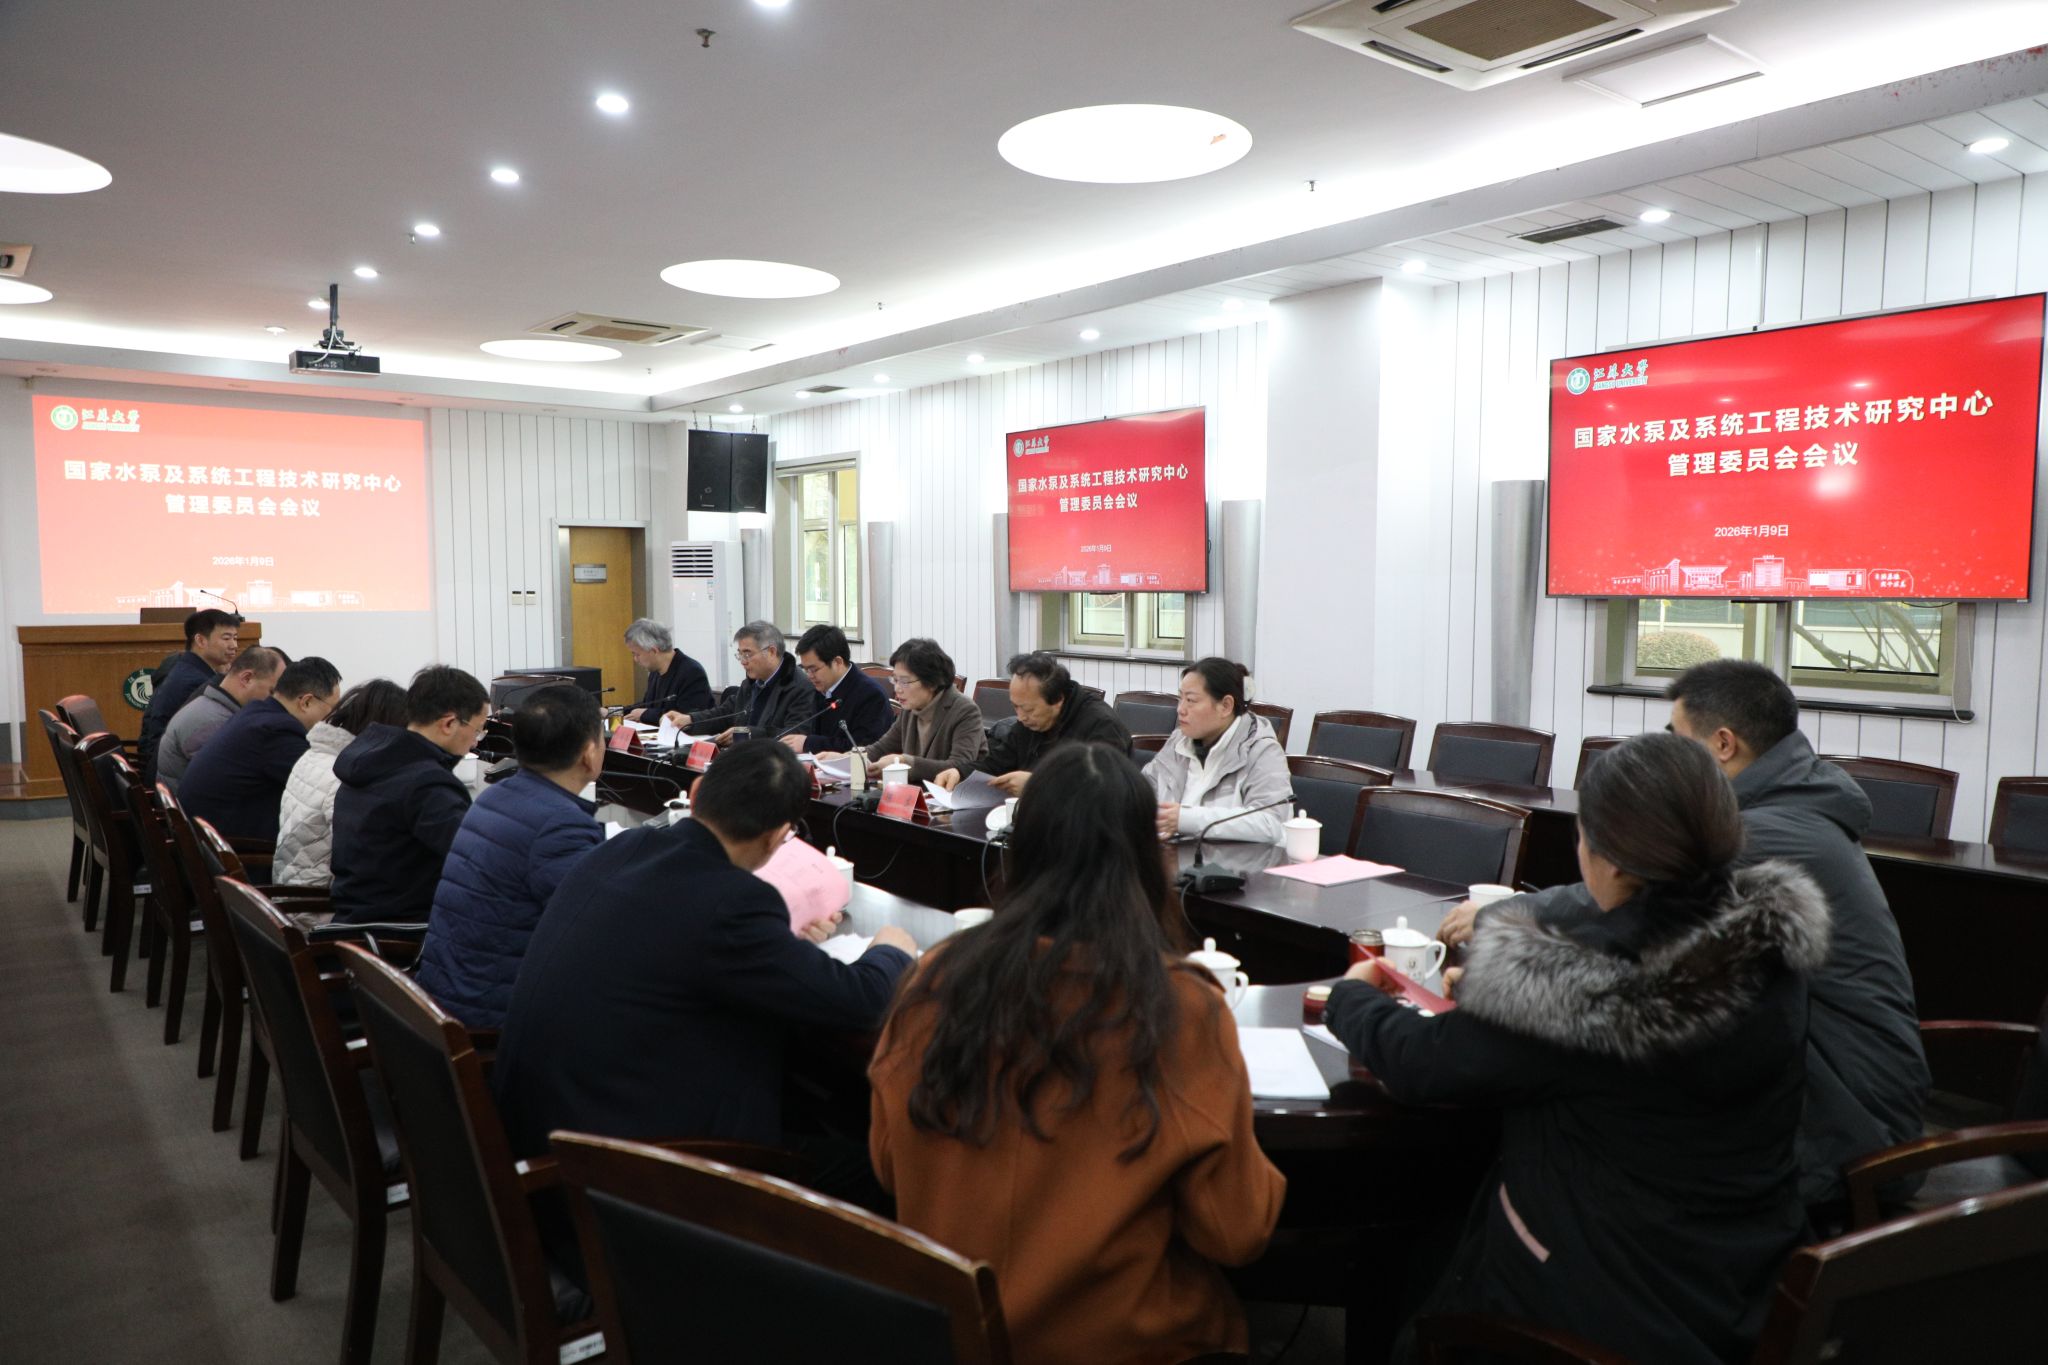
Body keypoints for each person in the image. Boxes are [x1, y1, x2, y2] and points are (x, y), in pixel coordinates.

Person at [1327, 733, 1829, 1364]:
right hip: (1739, 1282)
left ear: (1611, 860)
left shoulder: (1574, 988)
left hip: (1599, 1302)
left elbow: (1423, 1063)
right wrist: (1497, 1003)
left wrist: (1353, 998)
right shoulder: (1768, 948)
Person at [1439, 660, 1930, 1215]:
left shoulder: (1768, 831)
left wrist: (1504, 914)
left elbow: (1631, 894)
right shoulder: (1793, 804)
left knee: (1572, 1122)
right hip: (1829, 1096)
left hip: (1852, 1132)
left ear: (1722, 744)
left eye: (1677, 738)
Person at [870, 743, 1286, 1365]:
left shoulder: (932, 980)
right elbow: (1236, 1231)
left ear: (1019, 849)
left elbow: (887, 1167)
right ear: (1149, 859)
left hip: (953, 1334)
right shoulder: (1179, 1007)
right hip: (1125, 1343)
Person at [492, 739, 916, 1167]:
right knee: (883, 1168)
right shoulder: (733, 902)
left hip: (543, 1129)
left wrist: (784, 950)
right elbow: (860, 1001)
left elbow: (682, 947)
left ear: (695, 794)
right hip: (624, 1166)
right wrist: (889, 950)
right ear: (776, 837)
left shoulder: (621, 848)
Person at [415, 684, 606, 1030]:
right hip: (491, 1018)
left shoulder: (496, 795)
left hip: (448, 997)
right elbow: (596, 929)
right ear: (589, 753)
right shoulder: (560, 825)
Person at [328, 665, 490, 924]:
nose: (475, 742)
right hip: (403, 930)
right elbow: (476, 860)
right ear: (449, 723)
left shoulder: (372, 761)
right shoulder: (427, 784)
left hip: (355, 918)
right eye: (478, 730)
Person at [177, 656, 341, 843]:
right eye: (333, 709)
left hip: (203, 837)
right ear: (306, 702)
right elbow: (325, 788)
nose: (332, 719)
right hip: (232, 848)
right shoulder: (277, 731)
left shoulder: (257, 713)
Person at [935, 651, 1129, 796]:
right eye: (1015, 707)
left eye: (1028, 709)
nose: (1020, 717)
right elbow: (996, 763)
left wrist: (1036, 784)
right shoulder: (1028, 724)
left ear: (1058, 699)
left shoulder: (1101, 725)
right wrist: (960, 772)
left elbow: (1104, 789)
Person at [275, 679, 410, 887]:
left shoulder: (315, 755)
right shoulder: (345, 776)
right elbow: (362, 859)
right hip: (316, 898)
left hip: (292, 881)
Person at [1143, 657, 1291, 843]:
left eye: (1191, 700)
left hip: (1235, 860)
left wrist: (1186, 819)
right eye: (1180, 698)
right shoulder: (1179, 741)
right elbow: (1142, 792)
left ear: (1226, 706)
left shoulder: (1262, 751)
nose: (1180, 709)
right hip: (1174, 853)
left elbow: (1271, 823)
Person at [820, 637, 988, 784]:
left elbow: (959, 766)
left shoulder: (964, 710)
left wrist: (904, 761)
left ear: (932, 682)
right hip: (918, 795)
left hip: (955, 800)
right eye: (895, 680)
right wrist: (844, 759)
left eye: (905, 682)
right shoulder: (911, 708)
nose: (897, 689)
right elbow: (880, 749)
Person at [155, 645, 282, 792]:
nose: (275, 700)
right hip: (196, 805)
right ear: (247, 678)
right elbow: (224, 783)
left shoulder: (211, 709)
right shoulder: (213, 722)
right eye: (271, 691)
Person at [663, 621, 811, 745]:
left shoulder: (799, 686)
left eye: (747, 654)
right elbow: (725, 713)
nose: (743, 661)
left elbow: (794, 734)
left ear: (771, 652)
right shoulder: (752, 682)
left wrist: (747, 734)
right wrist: (690, 720)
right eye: (740, 654)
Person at [139, 608, 242, 780]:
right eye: (226, 638)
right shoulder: (194, 682)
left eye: (235, 638)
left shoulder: (186, 667)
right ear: (200, 640)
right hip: (169, 775)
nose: (234, 645)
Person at [784, 624, 892, 754]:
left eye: (814, 669)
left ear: (838, 662)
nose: (809, 676)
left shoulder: (871, 696)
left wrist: (809, 743)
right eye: (805, 670)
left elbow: (861, 748)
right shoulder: (820, 688)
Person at [621, 618, 713, 722]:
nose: (635, 659)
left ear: (654, 650)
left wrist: (646, 714)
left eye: (637, 654)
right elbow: (646, 706)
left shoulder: (692, 672)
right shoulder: (655, 672)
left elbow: (686, 716)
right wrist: (614, 711)